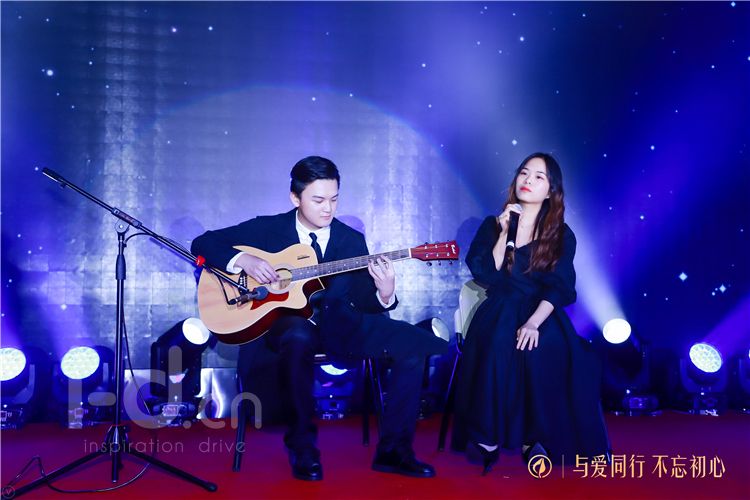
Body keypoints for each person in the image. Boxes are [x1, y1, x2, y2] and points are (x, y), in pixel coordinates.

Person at [191, 156, 447, 481]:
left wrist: (385, 293)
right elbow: (202, 243)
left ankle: (394, 451)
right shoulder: (267, 228)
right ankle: (303, 448)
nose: (328, 209)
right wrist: (245, 260)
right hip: (284, 329)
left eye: (334, 199)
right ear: (295, 198)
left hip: (341, 325)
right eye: (318, 200)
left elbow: (363, 301)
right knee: (298, 336)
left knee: (413, 347)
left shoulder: (351, 240)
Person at [451, 152, 610, 473]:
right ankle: (488, 434)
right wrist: (503, 232)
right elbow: (485, 272)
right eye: (524, 173)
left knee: (546, 346)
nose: (528, 181)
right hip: (501, 304)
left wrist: (534, 323)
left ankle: (537, 437)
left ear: (551, 190)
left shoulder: (561, 234)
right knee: (498, 341)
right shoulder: (493, 224)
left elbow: (560, 287)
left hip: (541, 309)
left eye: (539, 177)